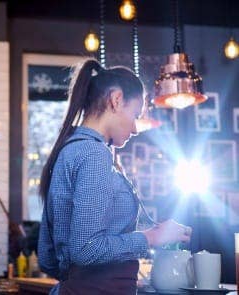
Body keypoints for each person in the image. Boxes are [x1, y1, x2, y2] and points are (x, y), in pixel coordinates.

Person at [37, 59, 192, 295]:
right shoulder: (94, 153)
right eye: (135, 114)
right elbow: (87, 248)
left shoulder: (68, 150)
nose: (135, 128)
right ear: (116, 100)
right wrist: (152, 237)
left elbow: (48, 257)